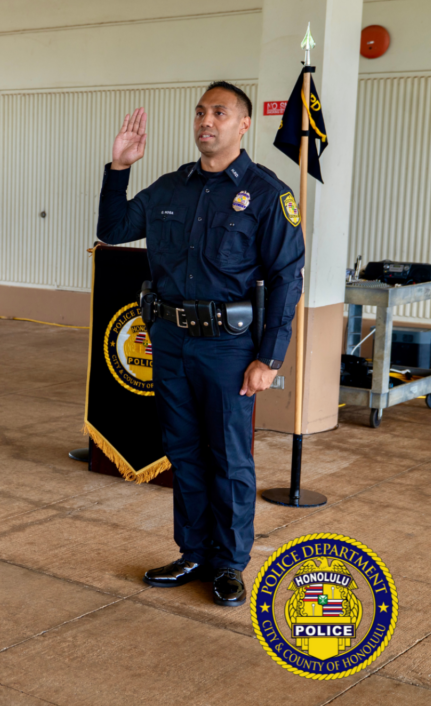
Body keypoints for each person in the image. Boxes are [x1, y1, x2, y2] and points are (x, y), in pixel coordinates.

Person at [97, 82, 304, 607]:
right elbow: (114, 228)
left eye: (219, 112)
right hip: (169, 343)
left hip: (228, 349)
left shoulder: (267, 193)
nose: (206, 121)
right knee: (183, 452)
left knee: (230, 458)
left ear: (243, 125)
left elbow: (287, 278)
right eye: (200, 112)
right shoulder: (169, 188)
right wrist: (118, 168)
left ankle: (230, 563)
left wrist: (269, 357)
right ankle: (192, 551)